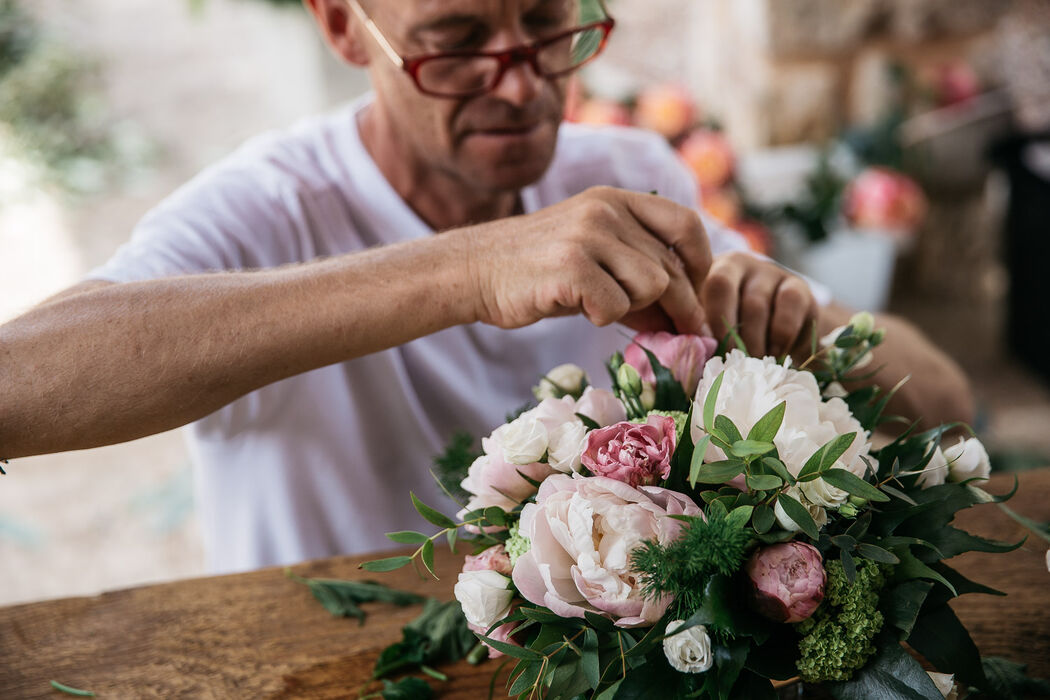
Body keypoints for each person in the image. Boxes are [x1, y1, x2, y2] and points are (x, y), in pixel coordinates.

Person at [0, 0, 973, 573]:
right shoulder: (265, 212)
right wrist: (468, 268)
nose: (522, 86)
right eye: (458, 40)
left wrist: (807, 326)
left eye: (547, 22)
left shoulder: (628, 177)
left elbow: (944, 400)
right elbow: (16, 388)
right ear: (343, 24)